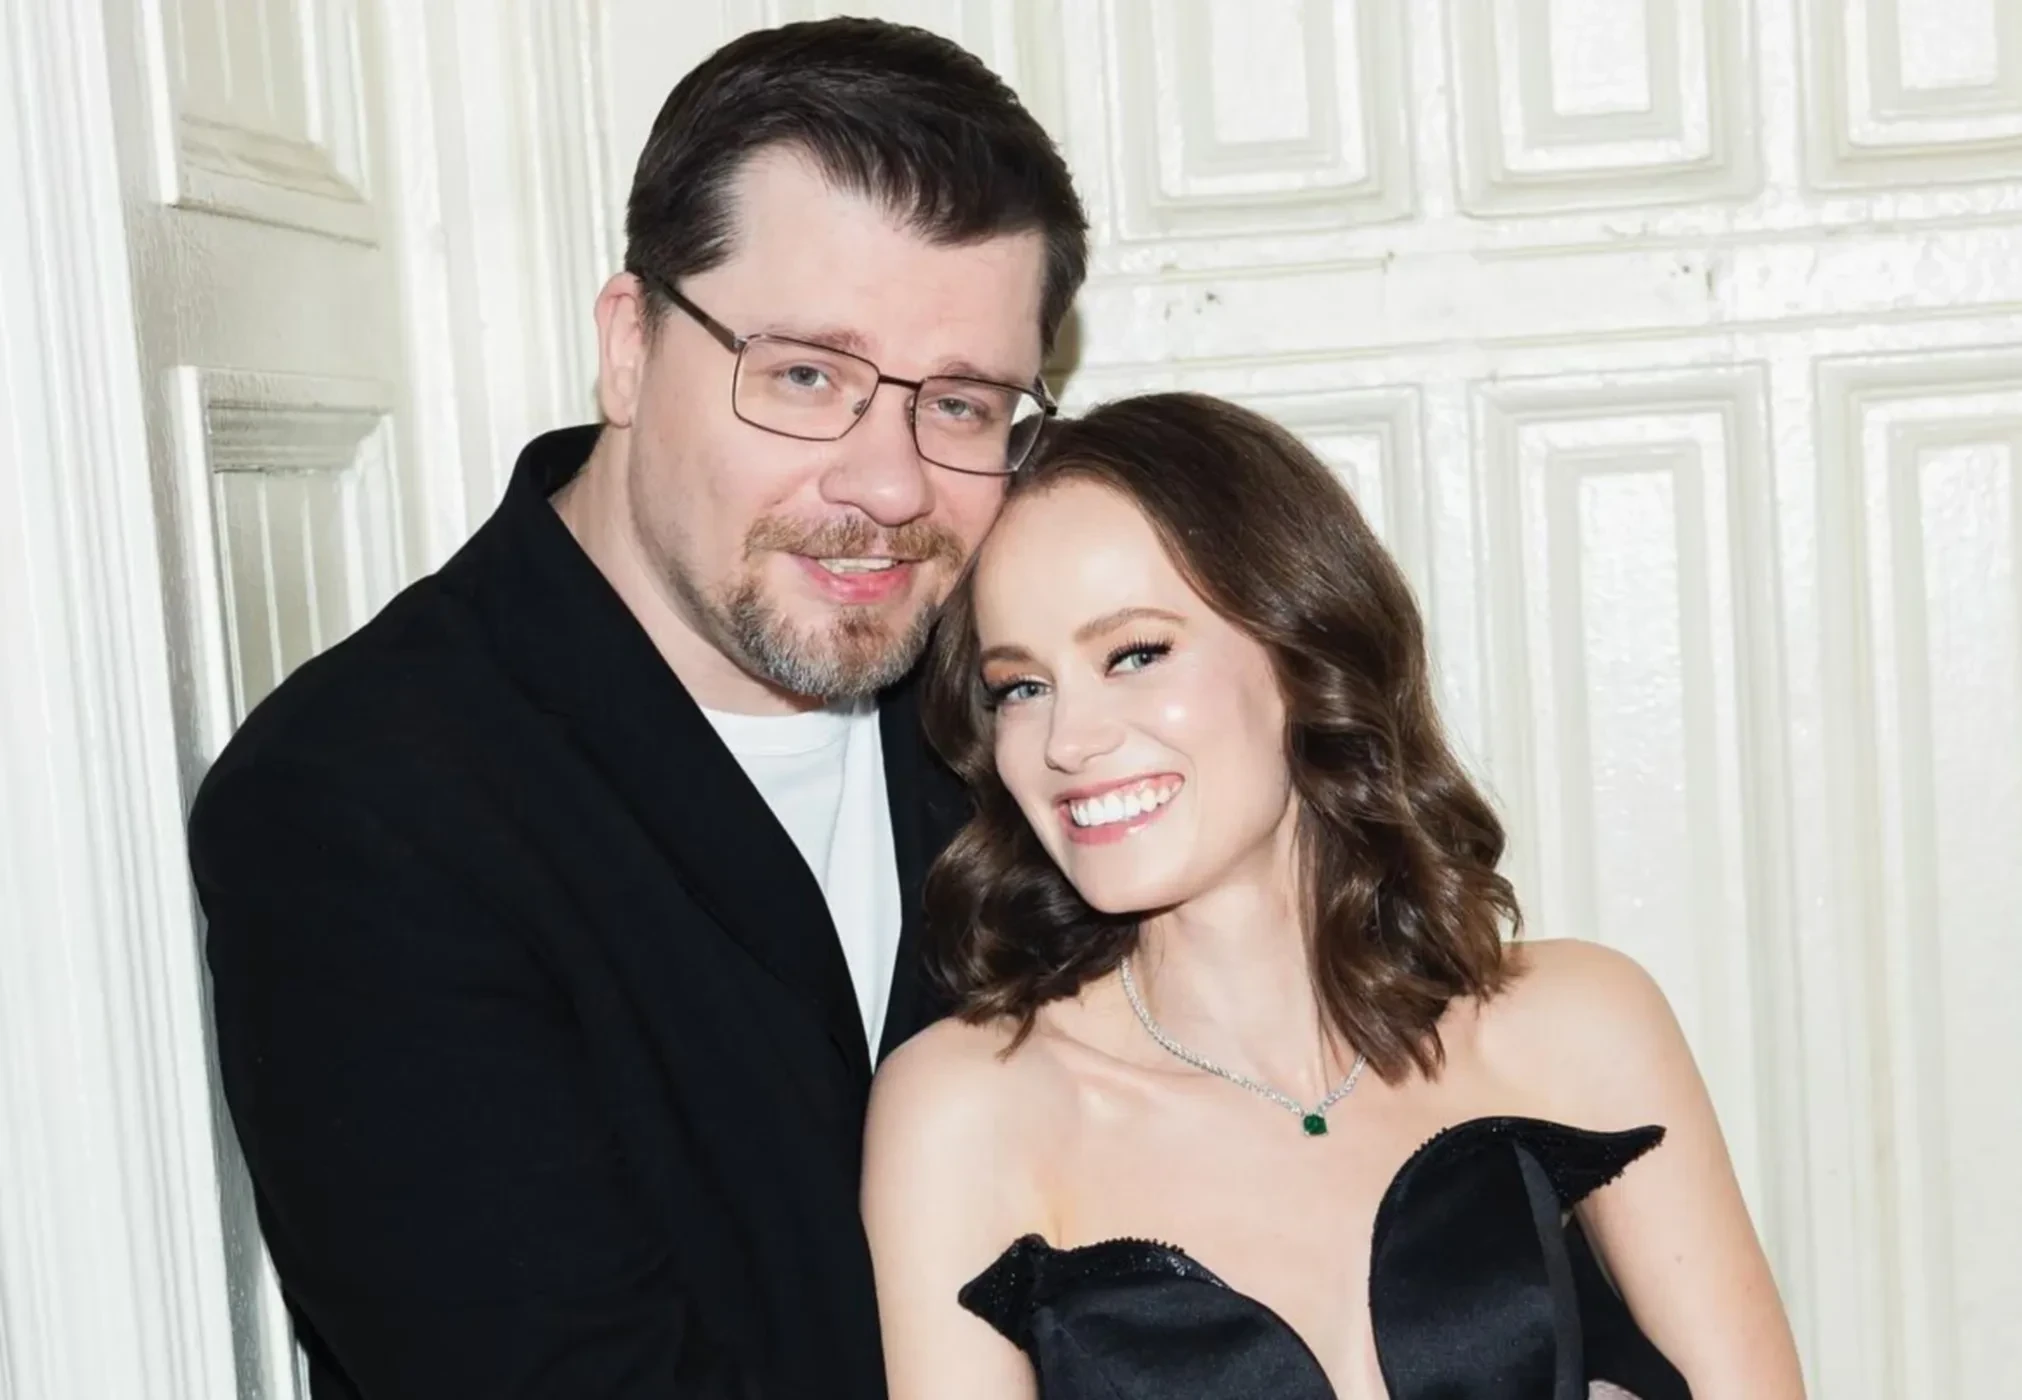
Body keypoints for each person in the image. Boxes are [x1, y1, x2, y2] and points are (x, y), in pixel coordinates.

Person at [187, 18, 1086, 1399]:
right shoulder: (362, 802)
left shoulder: (1035, 700)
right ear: (627, 345)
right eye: (805, 375)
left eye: (960, 404)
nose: (890, 484)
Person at [862, 393, 1807, 1398]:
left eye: (1135, 654)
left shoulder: (1577, 1024)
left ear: (1303, 648)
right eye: (1021, 686)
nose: (1067, 740)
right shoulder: (968, 1111)